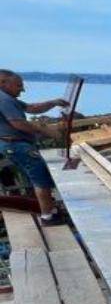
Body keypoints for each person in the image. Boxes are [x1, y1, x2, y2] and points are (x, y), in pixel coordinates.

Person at [0, 69, 70, 225]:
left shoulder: (8, 98)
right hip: (16, 145)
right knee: (40, 179)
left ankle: (51, 211)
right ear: (3, 83)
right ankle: (47, 217)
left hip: (14, 144)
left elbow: (32, 108)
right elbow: (18, 123)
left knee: (39, 177)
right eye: (18, 85)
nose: (22, 89)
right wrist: (46, 131)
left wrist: (53, 102)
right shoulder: (3, 99)